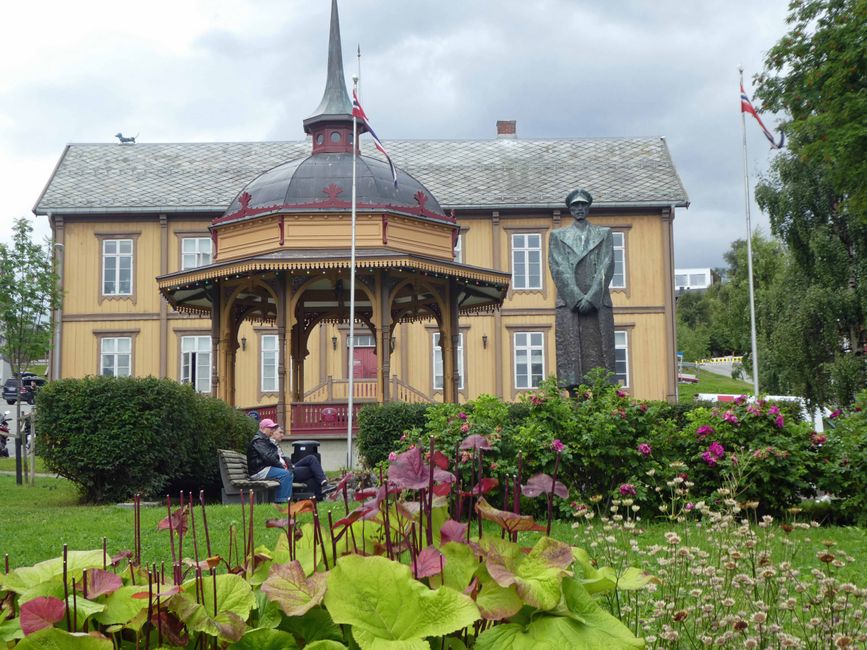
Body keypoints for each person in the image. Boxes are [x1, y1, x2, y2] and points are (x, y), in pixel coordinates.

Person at [548, 188, 616, 391]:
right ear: (570, 209)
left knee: (600, 358)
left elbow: (607, 265)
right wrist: (577, 299)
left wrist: (592, 298)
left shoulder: (604, 234)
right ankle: (574, 400)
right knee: (571, 362)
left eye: (583, 205)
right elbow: (557, 267)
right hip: (570, 305)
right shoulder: (558, 236)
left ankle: (602, 403)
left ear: (588, 208)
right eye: (575, 205)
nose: (579, 208)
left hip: (597, 304)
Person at [247, 418, 335, 502]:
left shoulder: (264, 440)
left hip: (266, 468)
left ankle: (320, 492)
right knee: (286, 474)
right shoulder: (259, 440)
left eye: (273, 428)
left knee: (311, 462)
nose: (272, 430)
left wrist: (286, 464)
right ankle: (282, 501)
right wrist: (284, 467)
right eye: (270, 428)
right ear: (263, 428)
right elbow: (269, 458)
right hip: (260, 471)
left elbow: (274, 457)